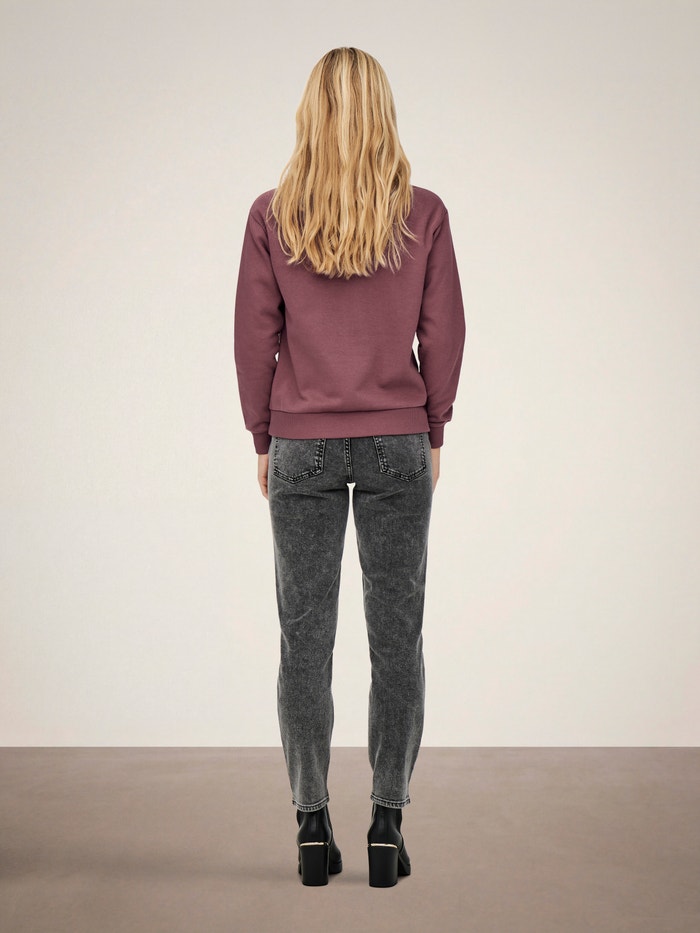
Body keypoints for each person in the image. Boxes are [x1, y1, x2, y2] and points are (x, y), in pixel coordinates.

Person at [233, 46, 466, 887]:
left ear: (310, 115)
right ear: (382, 115)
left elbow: (253, 336)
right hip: (398, 438)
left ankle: (309, 825)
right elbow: (444, 331)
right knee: (397, 636)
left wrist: (264, 435)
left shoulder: (273, 215)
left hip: (302, 444)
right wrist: (434, 425)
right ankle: (387, 822)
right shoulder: (423, 213)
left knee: (304, 637)